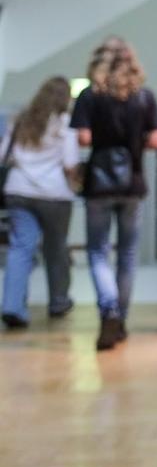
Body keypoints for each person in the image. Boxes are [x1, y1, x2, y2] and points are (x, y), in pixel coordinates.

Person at [72, 38, 157, 350]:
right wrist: (134, 140)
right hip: (132, 182)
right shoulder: (144, 96)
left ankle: (108, 309)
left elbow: (84, 139)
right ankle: (120, 319)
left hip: (98, 183)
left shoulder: (89, 95)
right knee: (127, 253)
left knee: (98, 251)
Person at [2, 77, 77, 330]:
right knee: (56, 249)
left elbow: (3, 155)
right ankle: (58, 301)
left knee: (20, 248)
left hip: (19, 190)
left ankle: (13, 305)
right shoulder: (65, 124)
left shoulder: (21, 120)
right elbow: (70, 162)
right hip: (54, 195)